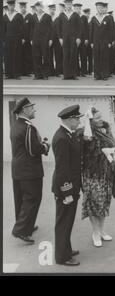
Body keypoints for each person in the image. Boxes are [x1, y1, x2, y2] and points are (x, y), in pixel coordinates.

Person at [10, 98, 50, 244]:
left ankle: (25, 225)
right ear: (25, 110)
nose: (34, 110)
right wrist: (46, 146)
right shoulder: (28, 127)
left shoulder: (16, 125)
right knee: (32, 199)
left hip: (18, 169)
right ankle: (21, 230)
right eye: (32, 108)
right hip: (29, 170)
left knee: (21, 199)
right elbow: (34, 150)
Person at [81, 107, 115, 247]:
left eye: (101, 117)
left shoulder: (106, 128)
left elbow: (114, 142)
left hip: (107, 172)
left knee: (104, 203)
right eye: (97, 118)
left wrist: (111, 151)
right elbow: (88, 145)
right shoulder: (85, 132)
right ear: (90, 120)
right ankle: (95, 232)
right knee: (93, 204)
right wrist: (102, 151)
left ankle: (102, 231)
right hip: (92, 174)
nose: (101, 120)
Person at [52, 104, 84, 266]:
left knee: (68, 221)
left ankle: (66, 248)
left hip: (72, 186)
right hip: (66, 188)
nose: (78, 121)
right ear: (70, 119)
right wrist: (67, 192)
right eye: (77, 119)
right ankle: (62, 257)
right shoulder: (61, 138)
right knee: (63, 222)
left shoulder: (68, 135)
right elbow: (62, 168)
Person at [58, 0, 82, 80]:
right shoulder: (61, 15)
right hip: (65, 38)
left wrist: (78, 37)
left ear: (72, 5)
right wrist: (60, 38)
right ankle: (66, 75)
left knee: (73, 55)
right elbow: (59, 27)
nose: (68, 6)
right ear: (65, 5)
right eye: (67, 4)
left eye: (70, 4)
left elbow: (80, 27)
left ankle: (73, 75)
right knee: (65, 56)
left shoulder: (75, 15)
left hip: (73, 38)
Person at [89, 2, 113, 80]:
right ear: (96, 9)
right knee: (96, 58)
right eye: (98, 8)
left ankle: (104, 75)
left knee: (104, 58)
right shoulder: (93, 18)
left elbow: (110, 31)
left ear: (103, 9)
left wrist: (110, 42)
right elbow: (91, 31)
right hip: (96, 41)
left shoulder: (107, 18)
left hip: (105, 42)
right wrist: (91, 42)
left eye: (101, 8)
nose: (100, 9)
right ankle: (97, 75)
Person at [30, 2, 53, 80]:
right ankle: (37, 74)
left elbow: (51, 29)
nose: (39, 8)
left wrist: (50, 39)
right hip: (35, 39)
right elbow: (31, 29)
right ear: (36, 8)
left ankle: (45, 74)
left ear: (42, 7)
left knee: (46, 56)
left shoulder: (47, 16)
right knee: (36, 57)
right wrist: (31, 39)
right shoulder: (33, 17)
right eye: (37, 7)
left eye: (40, 6)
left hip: (45, 39)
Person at [4, 0, 23, 80]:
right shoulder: (5, 16)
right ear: (7, 6)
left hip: (16, 39)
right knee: (8, 56)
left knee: (16, 56)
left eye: (12, 5)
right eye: (9, 5)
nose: (11, 7)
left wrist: (22, 38)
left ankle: (16, 74)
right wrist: (3, 39)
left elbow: (22, 28)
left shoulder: (18, 15)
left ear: (14, 6)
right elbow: (3, 29)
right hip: (7, 39)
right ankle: (8, 74)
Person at [19, 2, 34, 76]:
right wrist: (21, 38)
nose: (23, 9)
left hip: (28, 40)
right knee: (20, 55)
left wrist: (28, 38)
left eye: (24, 7)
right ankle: (21, 71)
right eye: (21, 7)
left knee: (28, 55)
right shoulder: (18, 16)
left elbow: (31, 29)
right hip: (20, 40)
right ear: (19, 8)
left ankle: (28, 71)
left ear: (26, 7)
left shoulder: (30, 16)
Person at [82, 8, 93, 75]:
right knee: (84, 56)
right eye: (86, 14)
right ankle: (84, 70)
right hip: (85, 42)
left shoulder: (91, 21)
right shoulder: (83, 20)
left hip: (90, 41)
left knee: (90, 57)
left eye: (88, 14)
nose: (87, 15)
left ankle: (90, 70)